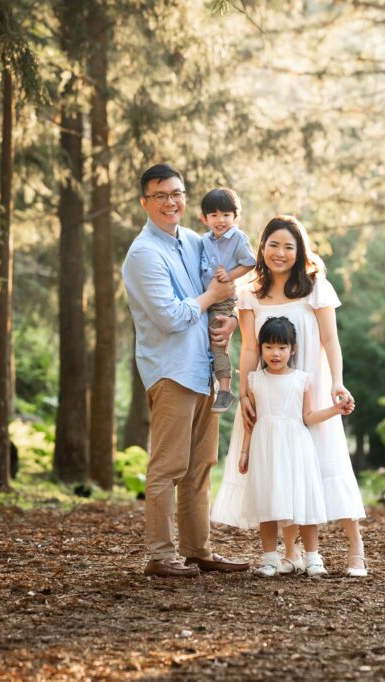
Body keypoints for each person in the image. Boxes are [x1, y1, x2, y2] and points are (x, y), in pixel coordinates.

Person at [211, 215, 369, 578]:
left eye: (288, 247)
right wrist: (247, 392)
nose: (280, 253)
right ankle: (292, 552)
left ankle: (355, 546)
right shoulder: (249, 292)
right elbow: (250, 346)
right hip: (269, 394)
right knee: (278, 468)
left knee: (327, 462)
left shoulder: (315, 286)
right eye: (273, 245)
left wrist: (337, 383)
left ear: (299, 252)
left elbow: (331, 340)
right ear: (262, 247)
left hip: (309, 388)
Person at [122, 163, 249, 578]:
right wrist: (212, 294)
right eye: (160, 195)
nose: (170, 202)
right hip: (171, 372)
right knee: (168, 467)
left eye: (176, 193)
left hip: (203, 370)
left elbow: (229, 271)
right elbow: (171, 317)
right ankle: (160, 555)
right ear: (145, 202)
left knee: (199, 467)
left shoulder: (194, 241)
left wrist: (227, 303)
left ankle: (199, 550)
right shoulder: (144, 254)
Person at [235, 316, 352, 578]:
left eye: (281, 347)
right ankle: (269, 559)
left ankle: (312, 558)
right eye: (268, 347)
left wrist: (335, 410)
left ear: (293, 349)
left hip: (296, 446)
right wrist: (245, 452)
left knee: (303, 502)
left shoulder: (302, 380)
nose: (275, 353)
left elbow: (308, 417)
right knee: (267, 502)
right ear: (261, 349)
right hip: (266, 447)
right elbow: (250, 422)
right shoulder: (254, 381)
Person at [198, 187, 256, 414]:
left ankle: (224, 390)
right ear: (204, 218)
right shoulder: (204, 240)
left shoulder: (238, 237)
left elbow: (250, 262)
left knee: (217, 342)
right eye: (213, 215)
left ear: (236, 217)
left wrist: (230, 275)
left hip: (222, 300)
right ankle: (211, 380)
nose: (220, 220)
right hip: (204, 298)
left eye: (226, 215)